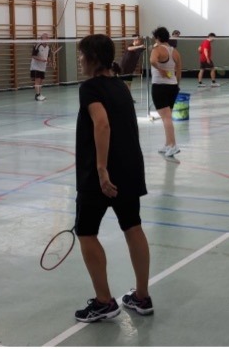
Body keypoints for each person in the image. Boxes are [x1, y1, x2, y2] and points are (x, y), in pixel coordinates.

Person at [73, 34, 152, 323]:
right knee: (133, 227)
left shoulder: (90, 88)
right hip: (130, 168)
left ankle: (104, 302)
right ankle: (141, 296)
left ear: (93, 58)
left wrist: (102, 169)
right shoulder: (121, 85)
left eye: (82, 55)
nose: (79, 59)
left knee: (86, 233)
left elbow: (102, 123)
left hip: (101, 176)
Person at [150, 27, 182, 157]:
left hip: (160, 86)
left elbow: (152, 61)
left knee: (166, 117)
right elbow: (178, 72)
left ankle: (173, 145)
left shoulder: (157, 49)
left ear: (158, 38)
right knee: (166, 117)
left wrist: (160, 69)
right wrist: (177, 85)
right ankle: (168, 144)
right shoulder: (175, 52)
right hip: (172, 87)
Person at [31, 33, 53, 101]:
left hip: (43, 67)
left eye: (48, 38)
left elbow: (48, 57)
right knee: (37, 80)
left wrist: (49, 62)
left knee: (41, 81)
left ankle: (39, 94)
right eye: (46, 37)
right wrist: (41, 59)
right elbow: (33, 56)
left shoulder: (48, 47)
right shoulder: (37, 45)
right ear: (42, 38)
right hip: (36, 67)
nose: (48, 39)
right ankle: (37, 95)